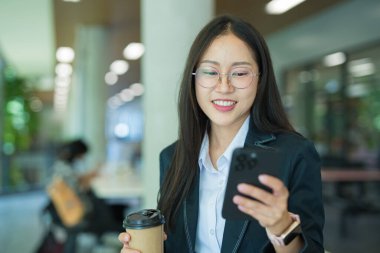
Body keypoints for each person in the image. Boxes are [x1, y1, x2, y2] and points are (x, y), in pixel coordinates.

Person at [119, 15, 324, 253]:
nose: (224, 86)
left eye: (239, 73)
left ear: (260, 78)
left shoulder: (293, 154)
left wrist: (282, 227)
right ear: (194, 79)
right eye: (210, 72)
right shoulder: (173, 156)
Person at [46, 139, 121, 253]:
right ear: (77, 153)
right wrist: (91, 177)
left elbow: (76, 181)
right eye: (82, 154)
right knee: (109, 211)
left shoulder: (60, 165)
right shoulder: (64, 169)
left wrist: (90, 175)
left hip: (67, 211)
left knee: (102, 203)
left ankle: (104, 241)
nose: (83, 157)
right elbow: (81, 188)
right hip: (79, 214)